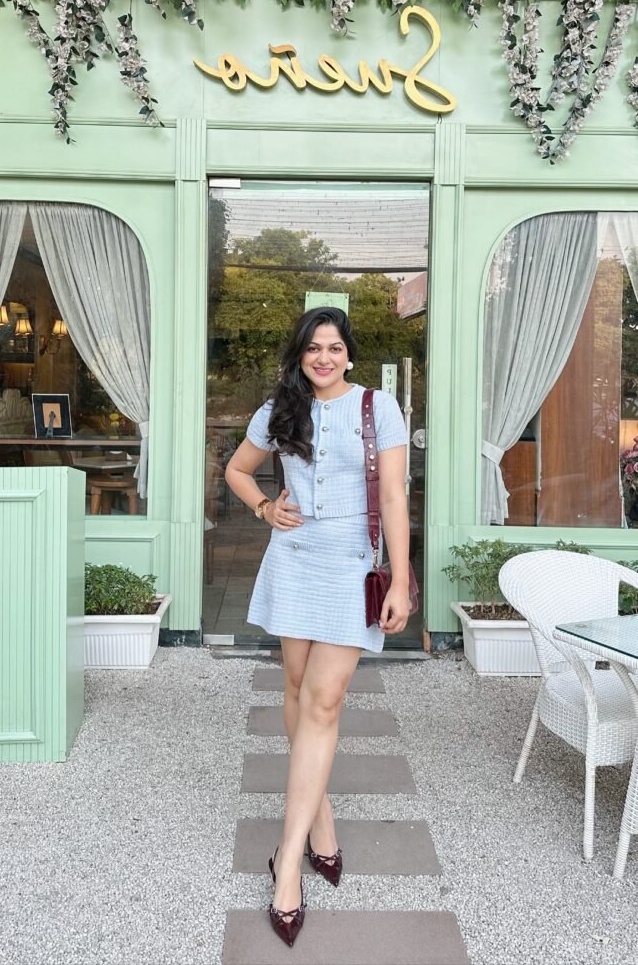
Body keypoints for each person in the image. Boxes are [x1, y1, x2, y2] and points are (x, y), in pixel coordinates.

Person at [224, 306, 410, 948]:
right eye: (313, 349)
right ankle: (322, 820)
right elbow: (236, 470)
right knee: (298, 690)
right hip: (295, 561)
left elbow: (392, 498)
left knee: (325, 701)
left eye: (334, 348)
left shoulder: (378, 408)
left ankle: (287, 862)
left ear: (349, 355)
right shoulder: (281, 409)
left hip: (350, 566)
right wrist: (264, 509)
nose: (324, 358)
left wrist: (404, 578)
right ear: (301, 356)